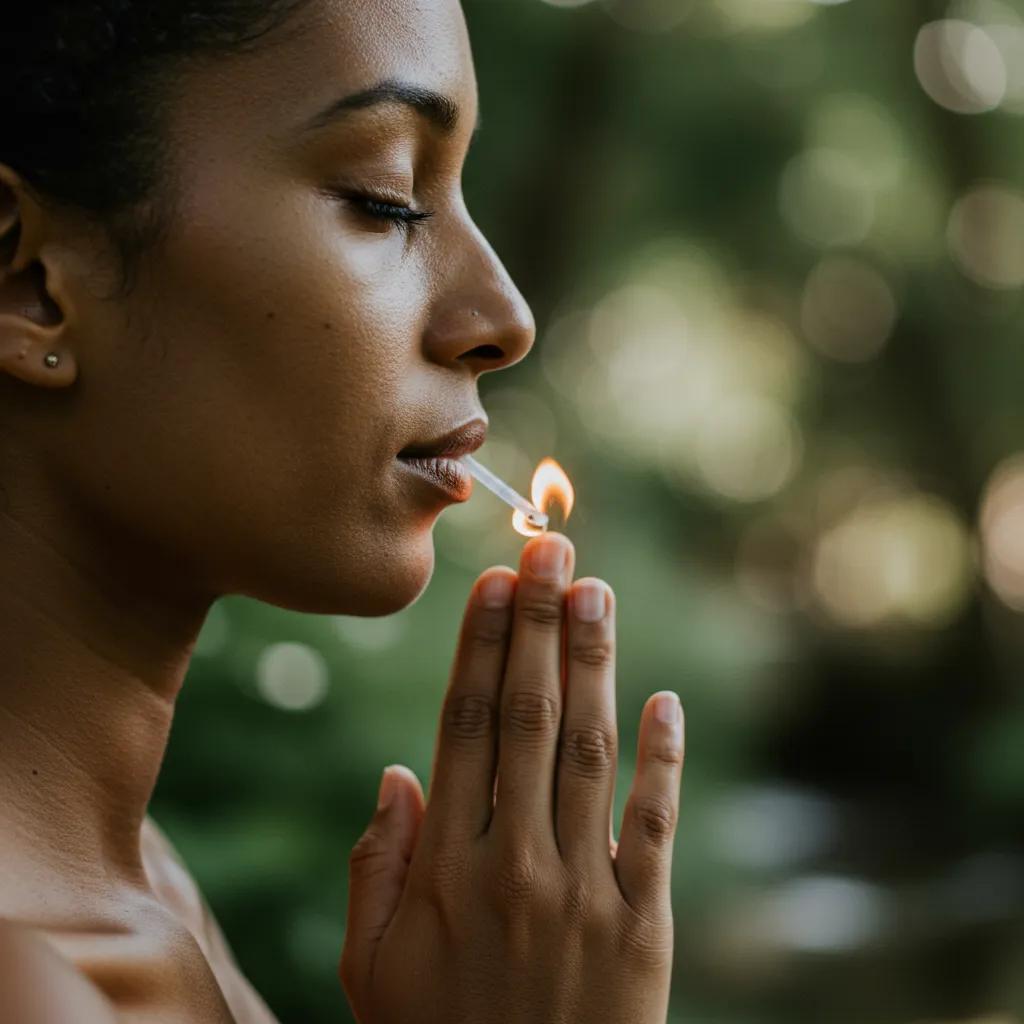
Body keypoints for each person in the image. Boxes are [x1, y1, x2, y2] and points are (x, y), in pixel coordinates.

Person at [0, 1, 686, 1021]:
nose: (502, 317)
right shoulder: (33, 980)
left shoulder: (156, 894)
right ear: (28, 280)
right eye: (388, 198)